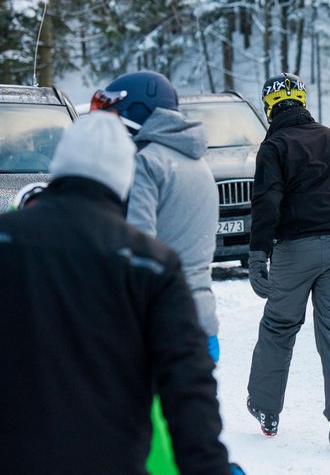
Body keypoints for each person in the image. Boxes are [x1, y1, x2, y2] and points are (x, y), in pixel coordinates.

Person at [0, 112, 232, 474]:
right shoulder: (150, 263)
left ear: (60, 166)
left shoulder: (7, 239)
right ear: (123, 178)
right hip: (110, 459)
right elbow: (188, 384)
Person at [246, 72, 330, 449]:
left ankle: (266, 410)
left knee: (279, 326)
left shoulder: (274, 146)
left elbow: (266, 203)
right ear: (302, 101)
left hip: (294, 250)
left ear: (269, 107)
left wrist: (257, 255)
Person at [90, 71, 221, 360]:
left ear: (138, 111)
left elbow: (138, 247)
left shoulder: (146, 162)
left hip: (159, 322)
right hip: (200, 318)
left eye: (113, 117)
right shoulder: (197, 162)